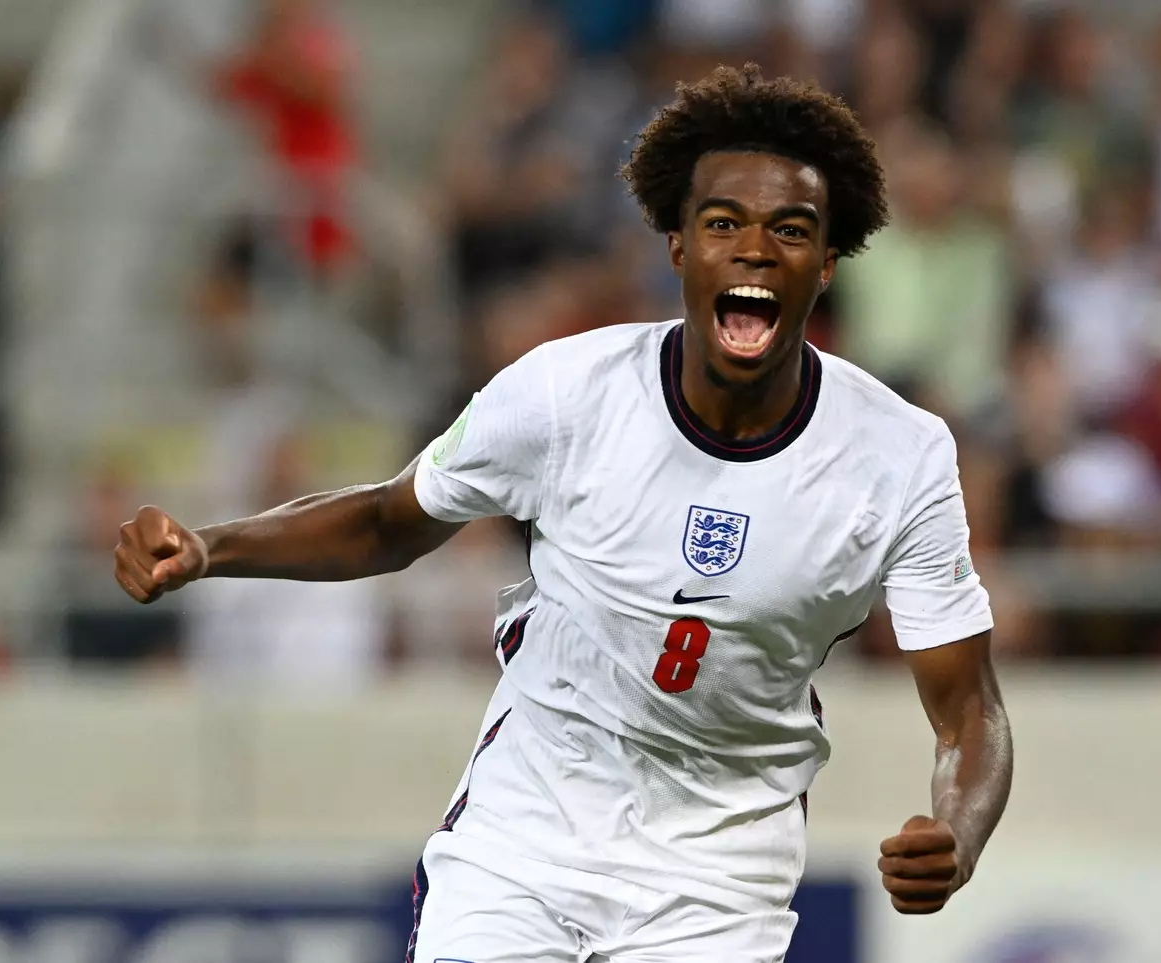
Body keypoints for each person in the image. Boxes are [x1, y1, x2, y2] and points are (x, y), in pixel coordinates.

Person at [113, 65, 1013, 962]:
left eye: (790, 230)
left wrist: (959, 835)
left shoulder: (902, 454)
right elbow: (390, 519)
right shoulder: (562, 393)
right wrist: (207, 546)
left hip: (719, 875)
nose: (753, 249)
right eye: (722, 223)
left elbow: (969, 711)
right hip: (525, 841)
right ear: (677, 248)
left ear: (827, 262)